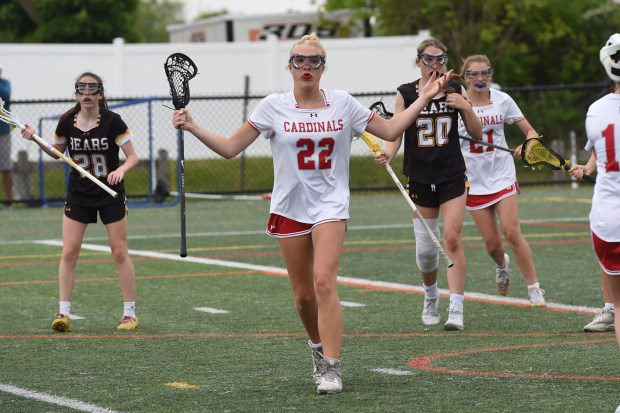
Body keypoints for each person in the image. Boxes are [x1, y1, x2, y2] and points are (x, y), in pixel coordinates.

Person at [172, 33, 451, 393]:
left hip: (331, 206)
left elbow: (392, 128)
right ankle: (316, 348)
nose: (306, 67)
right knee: (304, 296)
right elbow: (229, 149)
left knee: (324, 281)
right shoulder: (273, 105)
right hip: (290, 206)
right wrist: (193, 126)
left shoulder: (343, 103)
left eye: (314, 61)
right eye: (299, 61)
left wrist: (424, 99)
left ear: (323, 67)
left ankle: (332, 367)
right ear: (289, 66)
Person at [375, 39, 482, 331]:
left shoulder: (455, 89)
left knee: (452, 238)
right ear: (418, 61)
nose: (434, 65)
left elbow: (475, 132)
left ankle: (456, 307)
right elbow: (396, 129)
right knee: (425, 250)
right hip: (421, 175)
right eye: (427, 59)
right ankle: (431, 295)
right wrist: (388, 152)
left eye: (439, 59)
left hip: (451, 174)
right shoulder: (407, 92)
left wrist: (466, 107)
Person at [20, 72, 139, 332]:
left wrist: (121, 170)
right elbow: (55, 153)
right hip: (79, 194)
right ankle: (63, 312)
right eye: (82, 88)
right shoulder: (66, 122)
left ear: (100, 94)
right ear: (76, 94)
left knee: (119, 251)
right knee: (69, 252)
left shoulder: (113, 121)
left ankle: (129, 313)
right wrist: (34, 139)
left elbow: (132, 157)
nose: (87, 93)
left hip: (110, 192)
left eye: (92, 88)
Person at [457, 54, 546, 307]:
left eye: (485, 73)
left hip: (502, 175)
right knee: (493, 244)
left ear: (491, 75)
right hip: (473, 180)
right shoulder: (458, 104)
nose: (480, 78)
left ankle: (534, 288)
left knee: (512, 231)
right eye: (474, 74)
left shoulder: (503, 100)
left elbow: (530, 131)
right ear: (466, 78)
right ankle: (501, 265)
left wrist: (526, 144)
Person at [569, 33, 620, 353]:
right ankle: (609, 308)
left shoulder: (596, 110)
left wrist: (590, 168)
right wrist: (588, 168)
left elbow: (605, 146)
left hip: (608, 218)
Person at [0, 63, 12, 207]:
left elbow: (5, 95)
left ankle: (9, 202)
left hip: (3, 132)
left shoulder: (5, 84)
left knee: (6, 168)